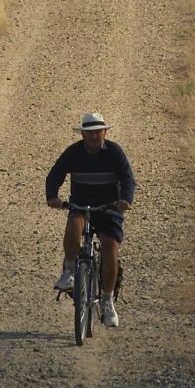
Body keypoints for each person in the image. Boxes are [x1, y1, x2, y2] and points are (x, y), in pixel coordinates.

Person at [45, 112, 136, 328]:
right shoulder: (73, 152)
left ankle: (106, 302)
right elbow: (55, 174)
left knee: (110, 249)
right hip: (80, 205)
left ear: (105, 132)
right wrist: (52, 196)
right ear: (83, 135)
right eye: (90, 133)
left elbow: (127, 178)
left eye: (98, 132)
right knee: (73, 230)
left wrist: (125, 200)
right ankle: (68, 272)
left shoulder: (115, 152)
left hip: (109, 208)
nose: (95, 136)